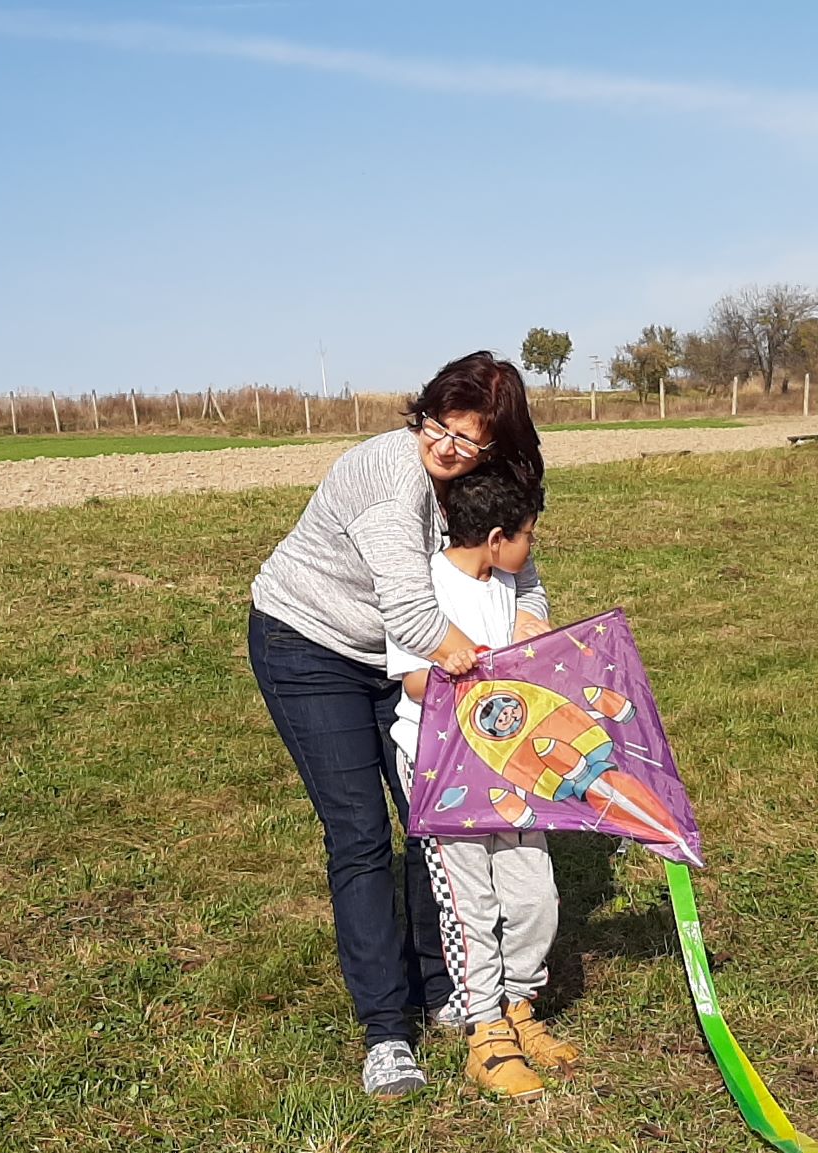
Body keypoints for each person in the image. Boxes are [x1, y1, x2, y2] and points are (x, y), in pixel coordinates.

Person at [246, 351, 547, 1100]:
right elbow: (412, 613)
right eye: (438, 425)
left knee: (431, 815)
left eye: (469, 437)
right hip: (312, 645)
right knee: (360, 834)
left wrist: (531, 631)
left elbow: (520, 567)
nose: (447, 445)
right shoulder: (391, 476)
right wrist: (494, 672)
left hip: (408, 659)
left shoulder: (482, 477)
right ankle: (386, 1030)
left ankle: (443, 987)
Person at [385, 469, 582, 1102]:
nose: (533, 547)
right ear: (497, 538)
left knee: (533, 893)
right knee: (470, 901)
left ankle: (519, 1005)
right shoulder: (424, 588)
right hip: (442, 769)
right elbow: (412, 681)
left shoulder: (505, 586)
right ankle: (484, 1030)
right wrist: (450, 665)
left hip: (509, 765)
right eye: (529, 535)